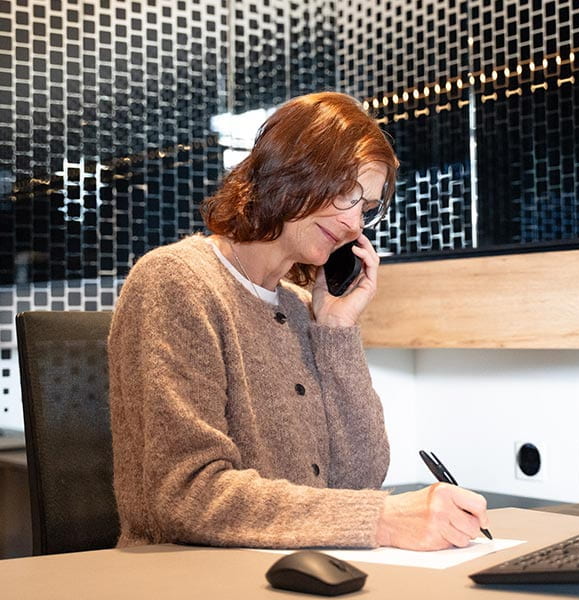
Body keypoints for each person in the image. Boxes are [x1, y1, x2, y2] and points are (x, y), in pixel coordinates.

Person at [108, 91, 489, 550]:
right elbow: (188, 495)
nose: (355, 226)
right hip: (190, 577)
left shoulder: (298, 306)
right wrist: (382, 519)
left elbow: (358, 478)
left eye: (366, 209)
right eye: (348, 194)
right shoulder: (176, 281)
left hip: (295, 568)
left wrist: (336, 330)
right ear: (291, 171)